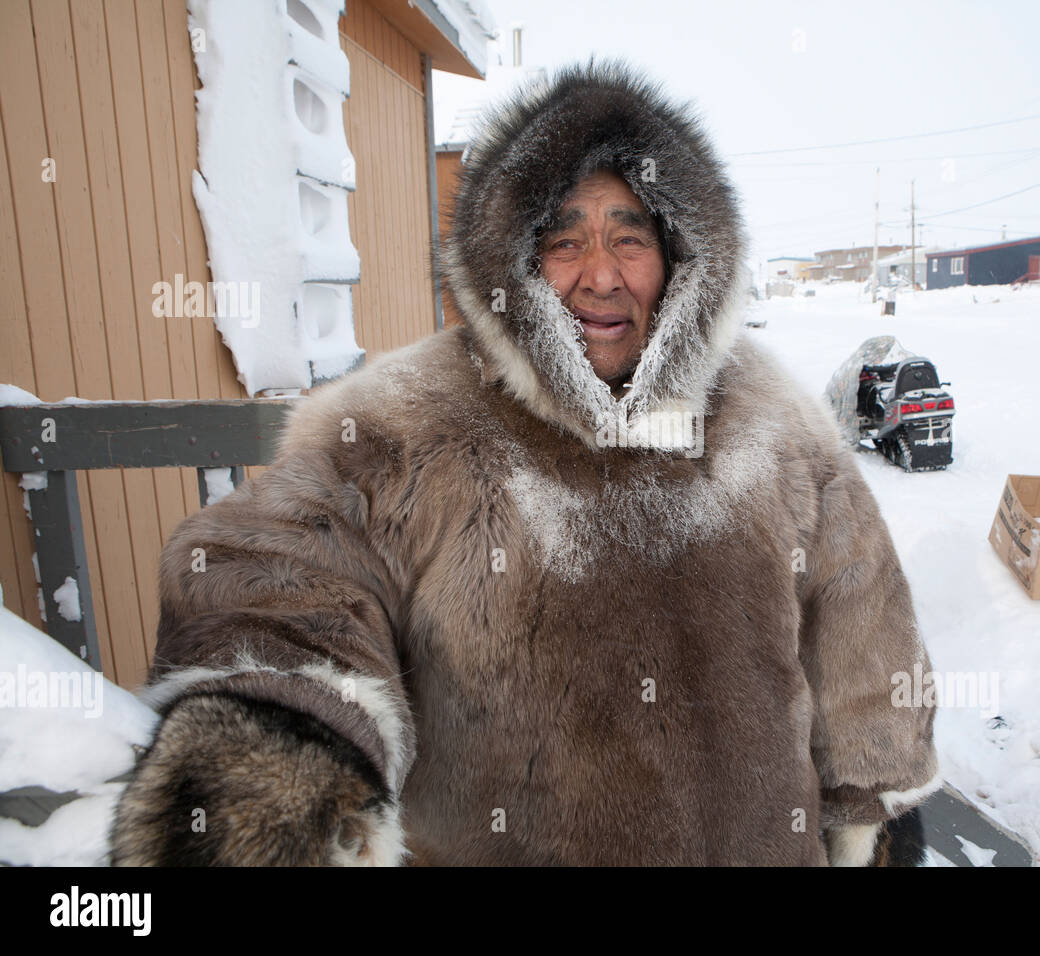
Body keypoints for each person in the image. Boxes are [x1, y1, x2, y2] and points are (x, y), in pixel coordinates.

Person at [110, 60, 939, 866]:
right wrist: (275, 743)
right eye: (564, 240)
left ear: (684, 256)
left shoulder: (774, 422)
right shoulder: (412, 416)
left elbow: (861, 623)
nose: (602, 276)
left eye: (630, 238)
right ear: (512, 260)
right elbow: (281, 564)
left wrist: (874, 802)